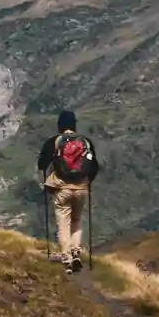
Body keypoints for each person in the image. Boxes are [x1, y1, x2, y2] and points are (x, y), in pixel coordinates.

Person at [37, 110, 100, 273]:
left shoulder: (55, 142)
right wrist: (87, 181)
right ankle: (76, 251)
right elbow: (94, 166)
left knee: (63, 222)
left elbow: (42, 163)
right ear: (74, 125)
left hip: (62, 188)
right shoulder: (85, 142)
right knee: (77, 220)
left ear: (60, 125)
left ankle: (67, 258)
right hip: (81, 188)